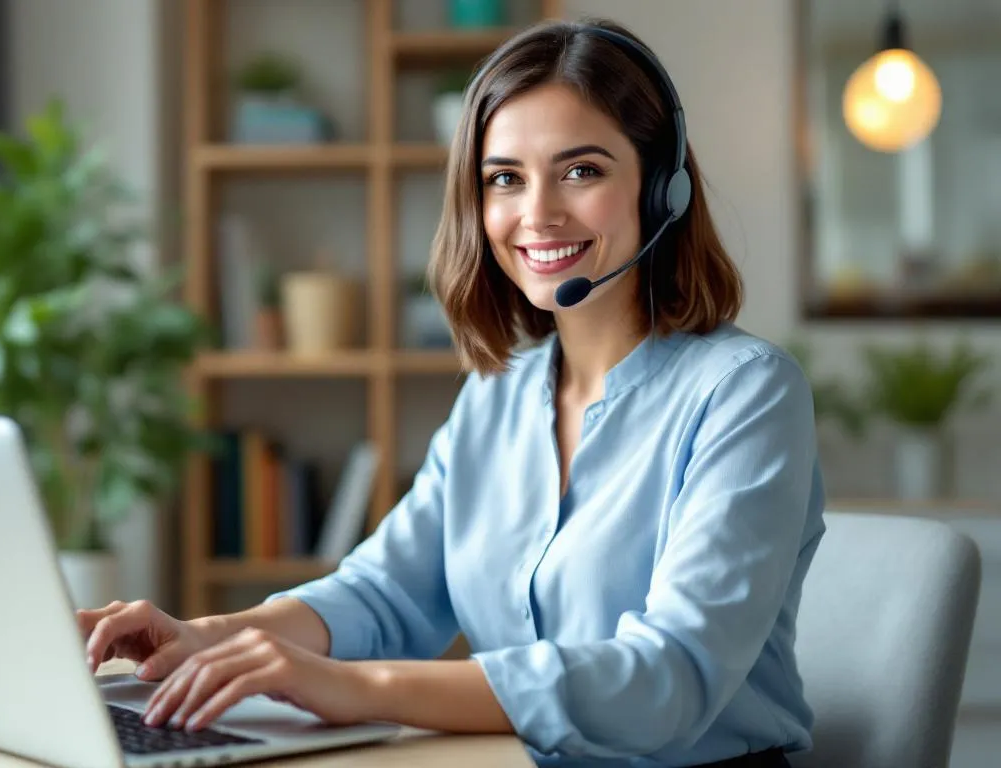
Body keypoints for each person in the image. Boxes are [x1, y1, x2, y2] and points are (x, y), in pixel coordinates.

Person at [78, 17, 824, 768]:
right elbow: (384, 594)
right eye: (505, 178)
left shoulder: (746, 394)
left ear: (664, 188)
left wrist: (358, 689)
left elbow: (669, 679)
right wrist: (208, 636)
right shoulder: (497, 397)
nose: (537, 213)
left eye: (581, 170)